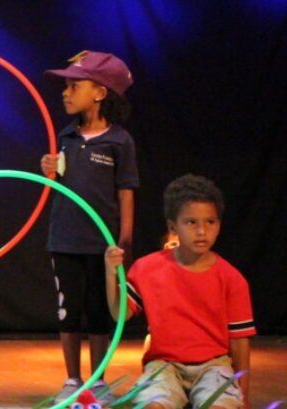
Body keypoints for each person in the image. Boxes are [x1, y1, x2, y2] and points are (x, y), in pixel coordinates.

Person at [104, 175, 255, 409]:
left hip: (214, 365)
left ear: (219, 225)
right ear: (173, 227)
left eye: (210, 222)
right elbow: (119, 314)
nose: (202, 231)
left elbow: (240, 342)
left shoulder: (231, 278)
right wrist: (111, 273)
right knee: (153, 405)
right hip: (163, 365)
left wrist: (243, 396)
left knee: (220, 405)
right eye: (191, 222)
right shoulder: (147, 268)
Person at [39, 50, 137, 401]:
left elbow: (126, 193)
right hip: (64, 238)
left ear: (99, 92)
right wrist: (50, 170)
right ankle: (71, 379)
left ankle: (97, 379)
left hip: (102, 243)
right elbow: (60, 184)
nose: (65, 93)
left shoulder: (119, 141)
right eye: (65, 86)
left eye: (73, 85)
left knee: (99, 310)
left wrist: (124, 239)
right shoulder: (66, 136)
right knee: (69, 309)